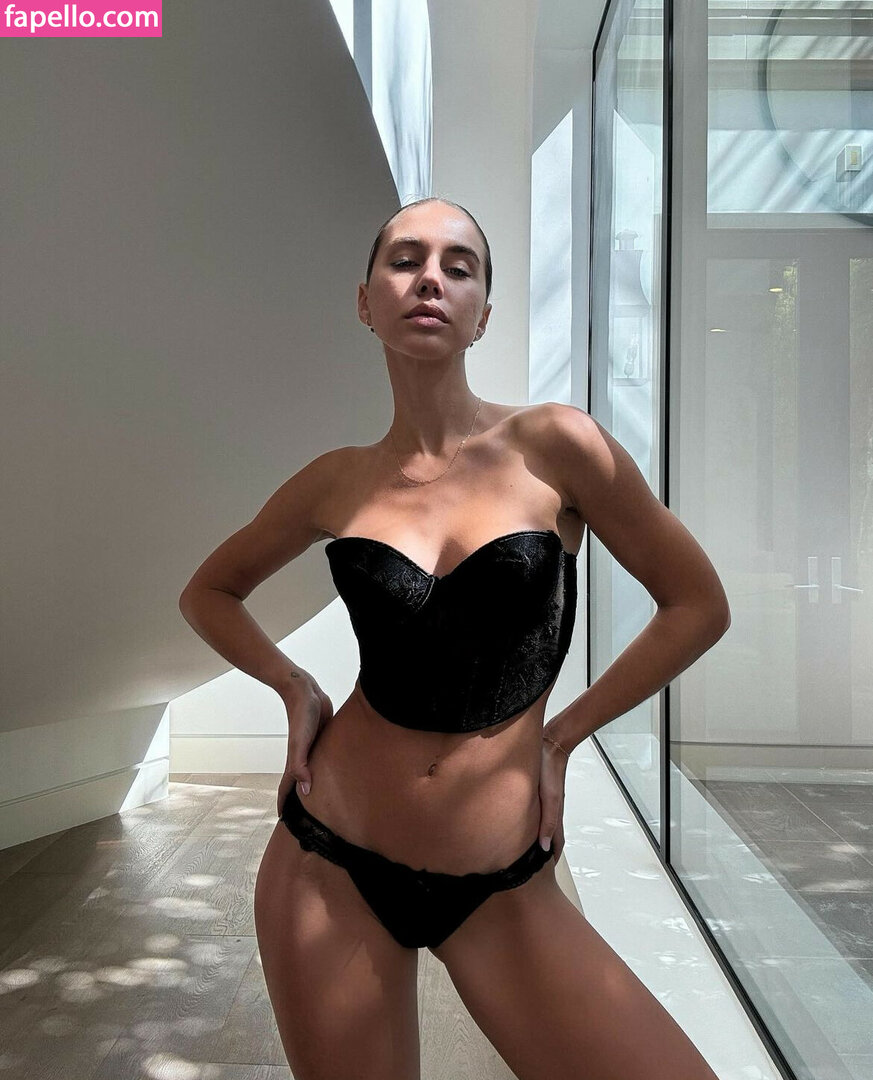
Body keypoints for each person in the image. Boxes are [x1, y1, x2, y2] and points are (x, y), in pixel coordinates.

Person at [179, 196, 731, 1080]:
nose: (430, 279)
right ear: (366, 302)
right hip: (329, 862)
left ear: (483, 314)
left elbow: (696, 604)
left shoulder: (555, 444)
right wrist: (293, 686)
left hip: (499, 881)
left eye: (457, 265)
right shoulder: (335, 481)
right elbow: (209, 592)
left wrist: (562, 736)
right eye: (405, 260)